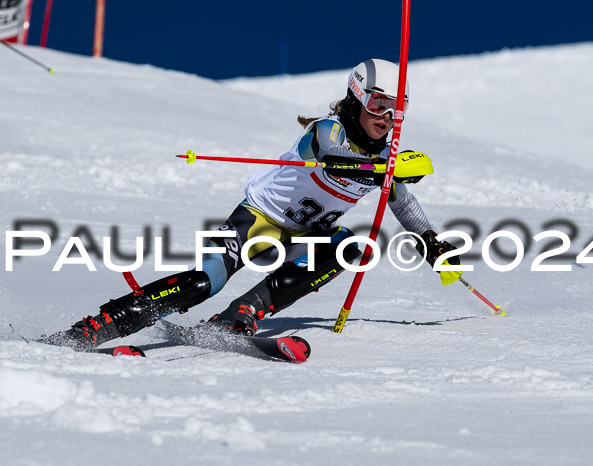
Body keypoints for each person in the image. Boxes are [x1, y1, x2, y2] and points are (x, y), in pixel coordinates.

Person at [47, 58, 460, 349]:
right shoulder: (327, 131)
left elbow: (402, 203)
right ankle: (100, 326)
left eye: (396, 108)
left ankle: (243, 313)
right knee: (202, 283)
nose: (386, 116)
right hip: (256, 222)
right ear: (356, 97)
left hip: (305, 236)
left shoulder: (385, 160)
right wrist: (387, 168)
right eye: (377, 104)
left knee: (351, 248)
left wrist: (431, 243)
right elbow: (335, 161)